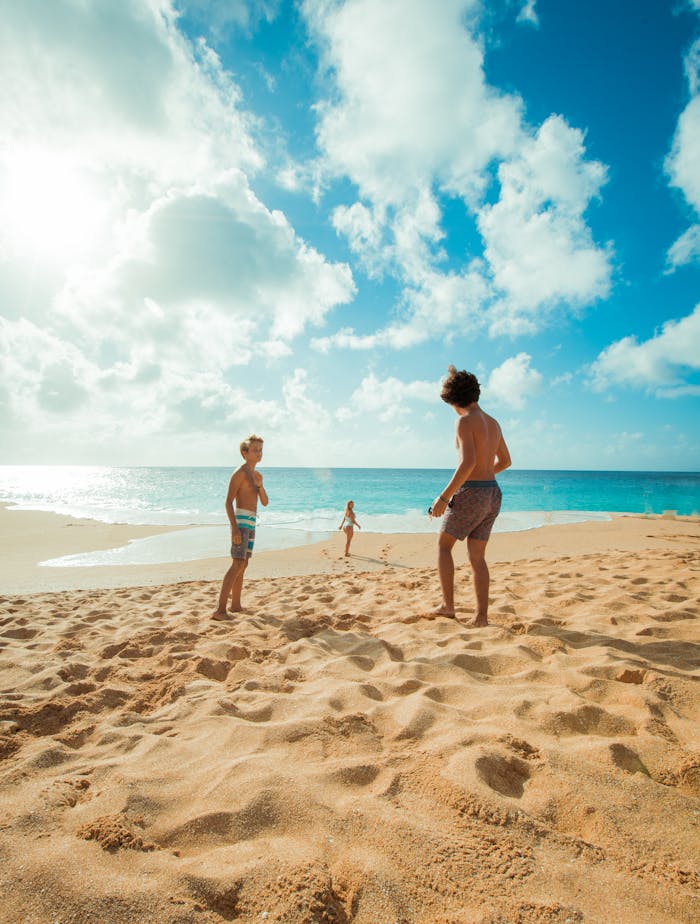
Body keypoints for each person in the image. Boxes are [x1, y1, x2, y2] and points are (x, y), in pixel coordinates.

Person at [429, 366, 511, 626]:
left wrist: (444, 498)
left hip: (473, 492)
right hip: (493, 494)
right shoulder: (494, 422)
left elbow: (467, 462)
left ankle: (447, 606)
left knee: (444, 545)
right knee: (477, 557)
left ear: (453, 400)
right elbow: (505, 461)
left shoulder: (464, 421)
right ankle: (481, 617)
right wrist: (486, 476)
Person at [213, 434, 268, 619]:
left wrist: (260, 486)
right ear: (245, 453)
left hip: (251, 522)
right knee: (237, 563)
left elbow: (265, 502)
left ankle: (235, 605)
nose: (259, 453)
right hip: (241, 523)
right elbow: (228, 502)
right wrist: (234, 529)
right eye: (255, 450)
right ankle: (220, 610)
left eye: (260, 450)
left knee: (243, 564)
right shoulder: (240, 473)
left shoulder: (255, 475)